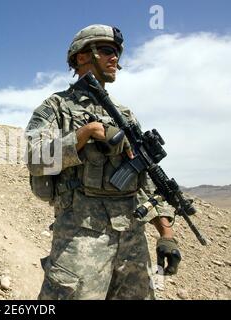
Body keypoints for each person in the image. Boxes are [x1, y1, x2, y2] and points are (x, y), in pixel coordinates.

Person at [25, 24, 181, 300]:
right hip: (81, 237)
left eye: (118, 53)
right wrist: (86, 134)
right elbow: (36, 159)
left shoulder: (125, 114)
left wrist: (165, 233)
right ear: (81, 56)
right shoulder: (56, 107)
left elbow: (147, 176)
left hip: (132, 237)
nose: (115, 58)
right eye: (107, 50)